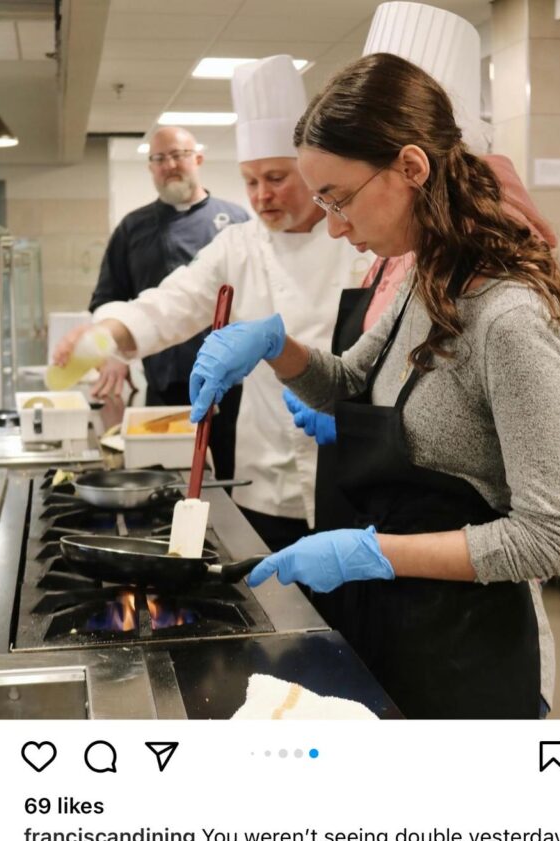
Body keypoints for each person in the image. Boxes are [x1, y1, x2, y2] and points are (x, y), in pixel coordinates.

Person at [187, 52, 560, 720]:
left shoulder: (508, 319)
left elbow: (552, 537)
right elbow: (347, 383)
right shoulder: (421, 277)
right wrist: (272, 344)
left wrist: (368, 552)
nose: (336, 227)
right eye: (323, 203)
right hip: (394, 623)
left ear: (410, 167)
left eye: (338, 200)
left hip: (466, 655)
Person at [53, 57, 369, 551]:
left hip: (354, 468)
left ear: (310, 172)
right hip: (264, 472)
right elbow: (171, 302)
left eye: (276, 178)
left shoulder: (360, 239)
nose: (261, 196)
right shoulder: (238, 244)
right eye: (250, 181)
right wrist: (104, 335)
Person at [88, 126, 249, 479]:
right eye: (160, 158)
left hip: (232, 386)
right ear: (150, 167)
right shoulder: (133, 228)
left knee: (229, 480)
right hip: (164, 385)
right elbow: (107, 297)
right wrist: (113, 353)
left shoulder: (237, 222)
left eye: (179, 155)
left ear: (198, 159)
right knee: (164, 479)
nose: (170, 164)